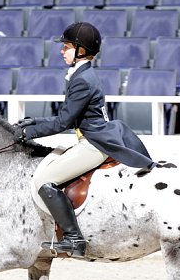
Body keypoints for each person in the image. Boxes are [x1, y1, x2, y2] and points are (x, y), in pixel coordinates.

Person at [15, 22, 155, 258]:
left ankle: (73, 238)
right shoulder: (81, 74)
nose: (62, 50)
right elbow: (68, 115)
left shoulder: (82, 80)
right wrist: (35, 121)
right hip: (89, 137)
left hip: (94, 143)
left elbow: (64, 123)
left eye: (66, 47)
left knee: (44, 178)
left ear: (80, 50)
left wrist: (28, 134)